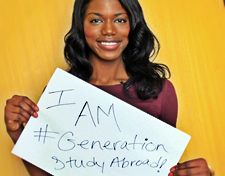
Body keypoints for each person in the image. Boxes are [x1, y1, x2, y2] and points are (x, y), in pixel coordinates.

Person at [4, 0, 213, 175]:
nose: (109, 30)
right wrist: (17, 133)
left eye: (120, 20)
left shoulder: (160, 91)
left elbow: (163, 169)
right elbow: (52, 172)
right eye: (96, 20)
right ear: (81, 27)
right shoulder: (60, 93)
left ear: (132, 26)